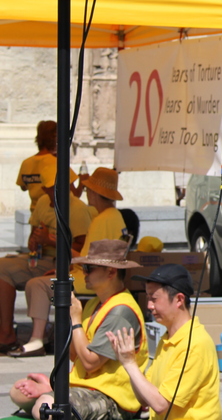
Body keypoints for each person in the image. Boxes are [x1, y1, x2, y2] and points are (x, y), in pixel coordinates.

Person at [9, 239, 146, 420]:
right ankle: (51, 393)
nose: (84, 273)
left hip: (112, 397)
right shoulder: (93, 304)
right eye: (84, 268)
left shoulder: (121, 311)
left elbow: (90, 363)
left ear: (111, 272)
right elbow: (75, 355)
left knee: (47, 408)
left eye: (89, 269)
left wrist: (75, 320)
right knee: (18, 391)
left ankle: (51, 396)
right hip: (84, 387)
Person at [15, 167, 129, 357]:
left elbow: (89, 259)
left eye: (87, 191)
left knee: (37, 284)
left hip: (94, 276)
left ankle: (37, 338)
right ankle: (43, 335)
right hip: (96, 272)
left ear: (93, 193)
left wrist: (55, 245)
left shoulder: (103, 219)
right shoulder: (112, 217)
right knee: (43, 281)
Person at [108, 264, 222, 420]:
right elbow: (144, 399)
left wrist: (129, 364)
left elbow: (161, 405)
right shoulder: (168, 338)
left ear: (179, 300)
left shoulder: (195, 344)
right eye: (148, 298)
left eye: (154, 299)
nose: (149, 306)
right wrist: (127, 361)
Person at [0, 165, 91, 353]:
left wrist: (51, 240)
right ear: (45, 188)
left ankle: (33, 336)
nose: (57, 190)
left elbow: (82, 251)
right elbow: (33, 234)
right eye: (53, 187)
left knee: (35, 283)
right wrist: (35, 241)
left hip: (65, 263)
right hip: (41, 258)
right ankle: (6, 331)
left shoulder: (77, 209)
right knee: (3, 267)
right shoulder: (43, 202)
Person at [15, 120, 82, 214]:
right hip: (53, 215)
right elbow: (74, 195)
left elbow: (23, 187)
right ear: (56, 138)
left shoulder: (26, 163)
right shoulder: (57, 163)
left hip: (36, 214)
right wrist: (82, 182)